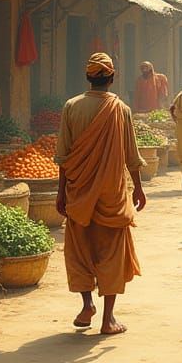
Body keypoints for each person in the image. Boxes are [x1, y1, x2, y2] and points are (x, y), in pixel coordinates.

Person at [55, 53, 145, 336]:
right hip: (112, 196)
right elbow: (132, 155)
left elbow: (63, 156)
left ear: (88, 78)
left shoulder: (72, 107)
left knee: (80, 250)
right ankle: (108, 319)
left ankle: (86, 304)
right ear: (112, 78)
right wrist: (139, 187)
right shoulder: (121, 109)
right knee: (111, 255)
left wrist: (61, 193)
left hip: (78, 193)